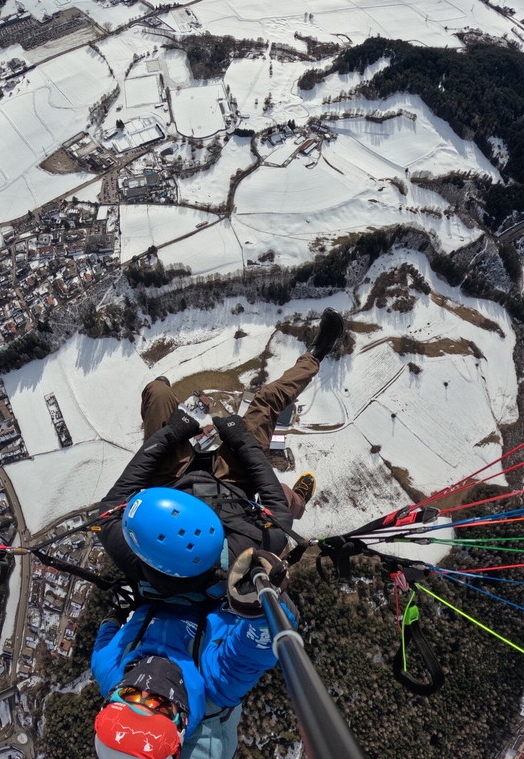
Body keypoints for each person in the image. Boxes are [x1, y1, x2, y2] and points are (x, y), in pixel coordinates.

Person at [97, 308, 344, 598]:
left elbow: (110, 505)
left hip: (169, 480)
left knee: (158, 393)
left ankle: (161, 389)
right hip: (231, 486)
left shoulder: (135, 557)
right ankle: (316, 355)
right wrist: (241, 440)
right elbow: (278, 513)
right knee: (266, 406)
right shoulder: (237, 558)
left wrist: (169, 434)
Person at [92, 548, 291, 759]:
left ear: (112, 697)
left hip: (160, 585)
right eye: (160, 705)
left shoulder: (109, 667)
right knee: (266, 537)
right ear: (183, 723)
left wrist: (115, 615)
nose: (147, 686)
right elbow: (256, 645)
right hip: (220, 586)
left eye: (129, 694)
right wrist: (261, 598)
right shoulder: (216, 685)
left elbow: (104, 640)